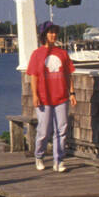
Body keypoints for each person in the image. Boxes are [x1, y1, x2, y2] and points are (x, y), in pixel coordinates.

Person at [27, 21, 76, 172]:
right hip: (44, 98)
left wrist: (72, 93)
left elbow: (68, 74)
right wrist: (35, 95)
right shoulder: (37, 54)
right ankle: (39, 156)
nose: (53, 35)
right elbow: (33, 77)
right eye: (50, 32)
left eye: (55, 32)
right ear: (44, 35)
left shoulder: (62, 53)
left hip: (61, 97)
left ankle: (58, 160)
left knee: (61, 130)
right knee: (44, 130)